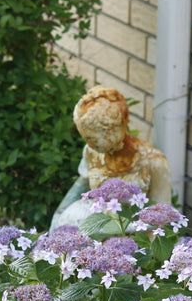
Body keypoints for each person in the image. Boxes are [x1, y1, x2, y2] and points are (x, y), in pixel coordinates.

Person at [51, 85, 172, 228]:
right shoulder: (92, 152)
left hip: (136, 239)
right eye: (87, 139)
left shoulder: (154, 161)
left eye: (94, 140)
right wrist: (56, 223)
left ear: (118, 127)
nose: (90, 144)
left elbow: (163, 216)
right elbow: (78, 191)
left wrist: (111, 229)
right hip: (93, 234)